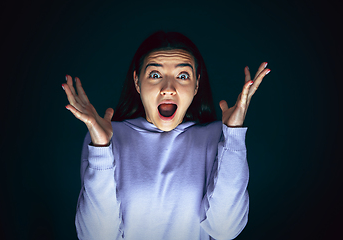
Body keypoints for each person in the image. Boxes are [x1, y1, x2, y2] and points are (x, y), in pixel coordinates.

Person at [62, 31, 270, 240]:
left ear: (196, 85)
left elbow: (225, 230)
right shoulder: (106, 139)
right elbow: (97, 237)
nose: (168, 88)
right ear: (137, 82)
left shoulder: (217, 138)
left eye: (182, 76)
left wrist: (233, 136)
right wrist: (101, 148)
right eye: (155, 75)